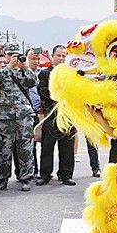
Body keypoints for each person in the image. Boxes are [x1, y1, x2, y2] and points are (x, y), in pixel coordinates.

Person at [0, 44, 37, 191]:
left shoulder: (23, 71)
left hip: (23, 116)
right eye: (10, 54)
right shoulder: (2, 72)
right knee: (5, 149)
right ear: (5, 55)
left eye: (16, 54)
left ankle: (26, 178)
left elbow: (34, 82)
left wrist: (25, 67)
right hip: (6, 117)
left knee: (25, 148)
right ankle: (2, 179)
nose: (13, 57)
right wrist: (9, 66)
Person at [36, 45, 76, 186]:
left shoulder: (72, 74)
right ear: (53, 56)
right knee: (47, 147)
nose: (61, 58)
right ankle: (45, 175)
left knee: (67, 147)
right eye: (58, 55)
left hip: (67, 114)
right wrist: (59, 91)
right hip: (50, 115)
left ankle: (66, 175)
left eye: (64, 56)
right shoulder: (45, 74)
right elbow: (43, 92)